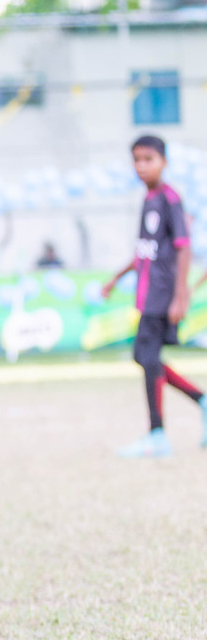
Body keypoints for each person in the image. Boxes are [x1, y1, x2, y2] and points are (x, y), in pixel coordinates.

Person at [100, 135, 206, 458]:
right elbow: (146, 251)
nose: (142, 166)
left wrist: (180, 295)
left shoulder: (170, 199)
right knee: (145, 358)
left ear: (164, 161)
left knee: (146, 357)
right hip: (149, 293)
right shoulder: (149, 199)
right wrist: (117, 278)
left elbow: (183, 247)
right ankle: (199, 400)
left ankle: (157, 434)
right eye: (137, 159)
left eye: (149, 159)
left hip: (163, 294)